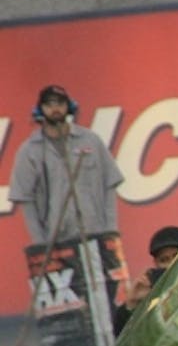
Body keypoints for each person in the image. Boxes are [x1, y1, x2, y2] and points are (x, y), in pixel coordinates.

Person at [10, 85, 123, 246]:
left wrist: (110, 229)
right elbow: (26, 200)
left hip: (96, 234)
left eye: (60, 103)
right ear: (40, 109)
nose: (55, 109)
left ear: (69, 107)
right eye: (49, 104)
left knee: (100, 272)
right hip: (56, 241)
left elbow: (110, 184)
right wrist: (40, 243)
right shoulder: (29, 151)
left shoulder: (91, 140)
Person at [112, 225, 178, 335]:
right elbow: (125, 341)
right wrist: (132, 303)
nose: (172, 264)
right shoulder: (153, 301)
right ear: (156, 265)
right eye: (164, 260)